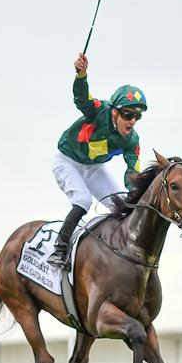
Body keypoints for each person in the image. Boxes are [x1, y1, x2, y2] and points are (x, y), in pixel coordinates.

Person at [47, 53, 147, 267]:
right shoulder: (99, 111)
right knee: (83, 200)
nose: (132, 121)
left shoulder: (132, 140)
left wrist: (134, 194)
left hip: (93, 169)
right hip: (67, 161)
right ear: (114, 112)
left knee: (120, 204)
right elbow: (82, 98)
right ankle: (60, 247)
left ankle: (117, 256)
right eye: (128, 115)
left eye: (137, 117)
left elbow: (133, 172)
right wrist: (81, 74)